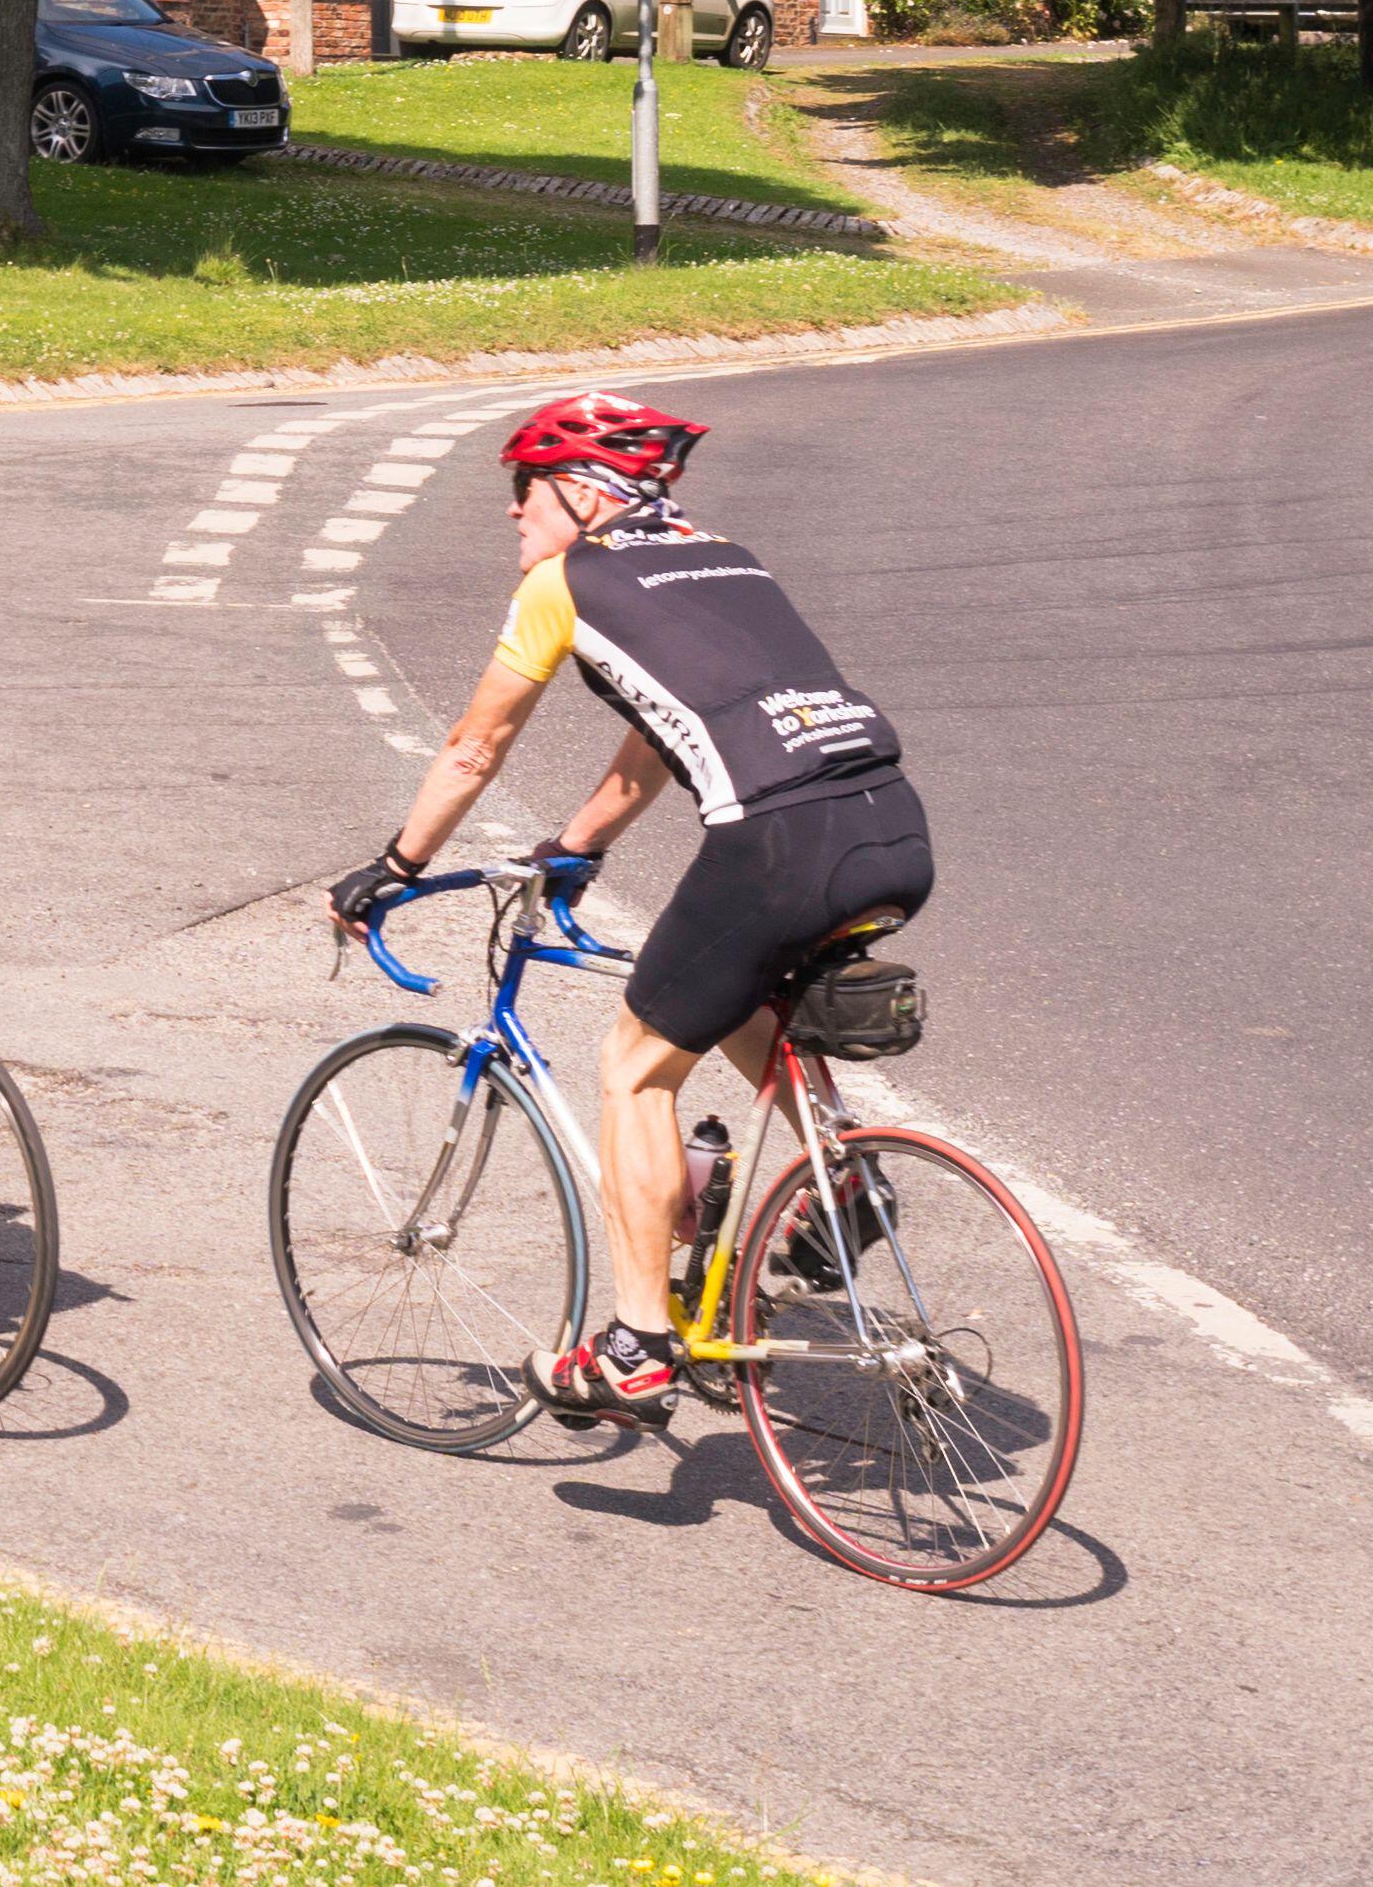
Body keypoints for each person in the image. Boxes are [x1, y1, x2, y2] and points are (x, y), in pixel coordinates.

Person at [325, 391, 934, 1422]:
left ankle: (635, 1345)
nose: (514, 515)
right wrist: (574, 845)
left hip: (780, 841)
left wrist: (392, 864)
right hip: (892, 825)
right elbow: (667, 721)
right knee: (734, 993)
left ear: (575, 490)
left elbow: (476, 746)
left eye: (524, 492)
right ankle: (849, 1181)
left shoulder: (566, 583)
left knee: (634, 1069)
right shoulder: (727, 556)